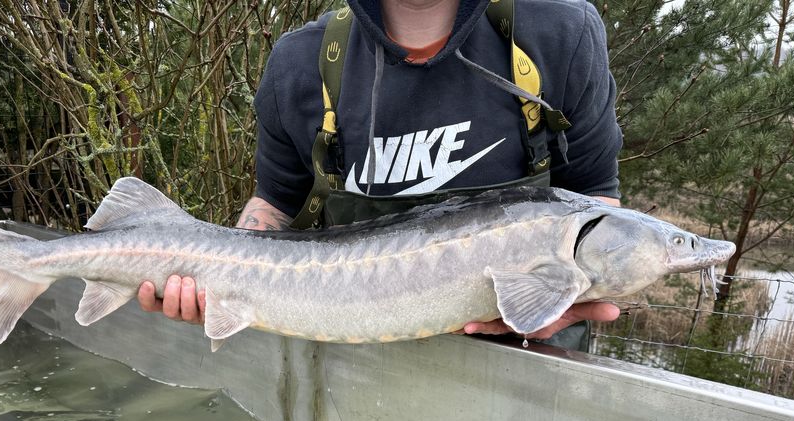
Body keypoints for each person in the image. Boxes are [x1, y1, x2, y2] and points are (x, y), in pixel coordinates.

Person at [137, 0, 622, 344]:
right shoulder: (301, 62)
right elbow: (276, 203)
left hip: (527, 364)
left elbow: (594, 197)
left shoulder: (561, 33)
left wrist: (557, 307)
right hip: (346, 361)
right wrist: (215, 287)